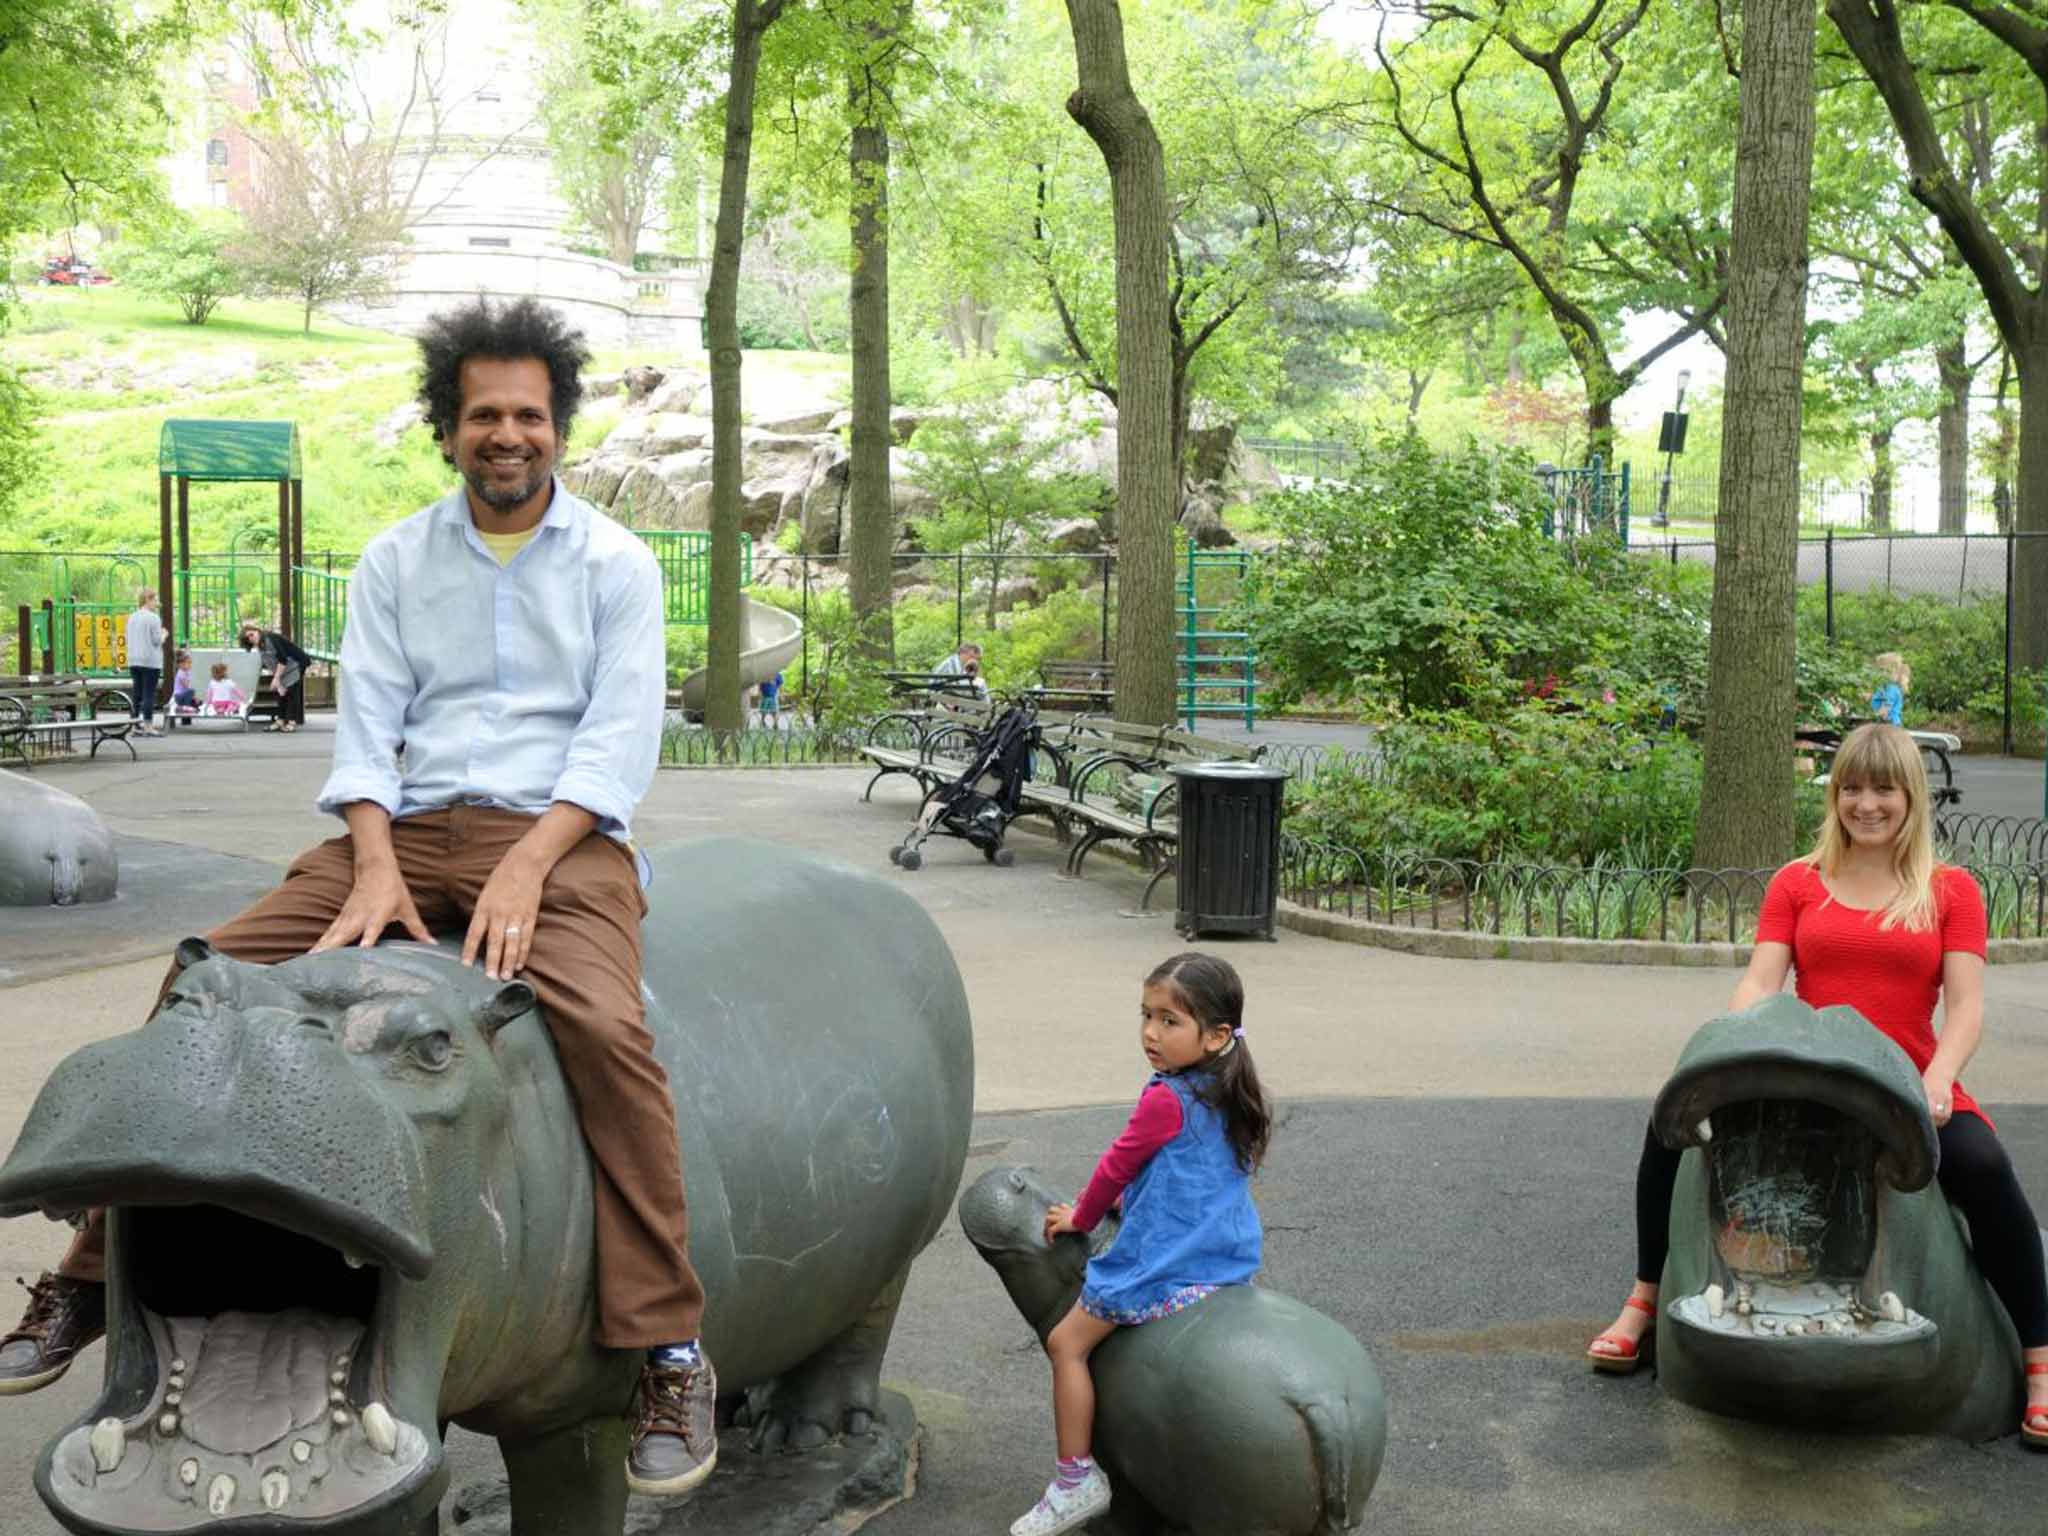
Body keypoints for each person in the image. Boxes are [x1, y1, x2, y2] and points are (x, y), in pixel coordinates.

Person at [0, 296, 721, 1496]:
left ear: (559, 428)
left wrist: (532, 866)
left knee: (604, 1025)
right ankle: (88, 1270)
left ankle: (667, 1341)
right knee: (203, 978)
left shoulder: (617, 565)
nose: (509, 434)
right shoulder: (395, 560)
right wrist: (377, 861)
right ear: (448, 428)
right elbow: (368, 728)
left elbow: (614, 744)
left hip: (560, 836)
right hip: (406, 831)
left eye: (529, 415)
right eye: (484, 413)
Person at [1586, 723, 2048, 1446]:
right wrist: (1732, 1047)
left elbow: (1967, 1007)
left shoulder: (1949, 890)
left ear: (1910, 797)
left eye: (1883, 789)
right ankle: (1642, 1300)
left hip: (1901, 1080)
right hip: (1808, 1075)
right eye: (1853, 789)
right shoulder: (1798, 882)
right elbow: (1761, 980)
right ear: (1835, 797)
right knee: (1665, 1136)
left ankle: (2039, 1359)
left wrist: (1940, 1077)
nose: (1867, 804)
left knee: (1985, 1168)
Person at [1013, 953, 1271, 1536]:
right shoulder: (1230, 1083)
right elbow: (1196, 1172)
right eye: (1146, 1015)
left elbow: (1116, 1166)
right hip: (1227, 1254)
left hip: (1169, 1258)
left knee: (1066, 1344)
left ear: (1216, 1034)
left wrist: (1082, 1215)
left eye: (1170, 1021)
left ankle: (1075, 1480)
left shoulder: (1165, 1098)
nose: (1151, 1033)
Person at [240, 622, 313, 733]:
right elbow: (270, 662)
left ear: (257, 631)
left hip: (295, 664)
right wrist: (278, 681)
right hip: (284, 669)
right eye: (248, 638)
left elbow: (282, 659)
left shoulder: (270, 639)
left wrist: (276, 678)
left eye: (252, 634)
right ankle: (280, 721)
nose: (251, 638)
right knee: (281, 693)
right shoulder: (260, 645)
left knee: (292, 693)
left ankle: (291, 722)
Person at [124, 588, 165, 736]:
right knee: (149, 693)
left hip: (134, 659)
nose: (156, 603)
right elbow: (156, 641)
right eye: (155, 600)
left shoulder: (132, 617)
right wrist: (164, 635)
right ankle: (148, 725)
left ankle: (135, 725)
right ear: (148, 599)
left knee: (137, 693)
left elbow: (127, 638)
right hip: (150, 660)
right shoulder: (153, 618)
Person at [1870, 651, 1910, 726]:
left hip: (1889, 724)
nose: (1884, 674)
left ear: (1897, 673)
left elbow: (1885, 709)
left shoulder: (1892, 689)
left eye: (1888, 671)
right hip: (1887, 723)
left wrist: (1872, 716)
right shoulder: (1884, 687)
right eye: (1881, 670)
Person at [170, 650, 197, 725]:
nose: (190, 665)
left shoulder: (186, 672)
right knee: (191, 692)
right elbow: (186, 686)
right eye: (188, 663)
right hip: (178, 696)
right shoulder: (181, 673)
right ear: (180, 665)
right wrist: (193, 695)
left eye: (190, 663)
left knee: (190, 697)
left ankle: (186, 719)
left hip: (183, 695)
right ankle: (185, 717)